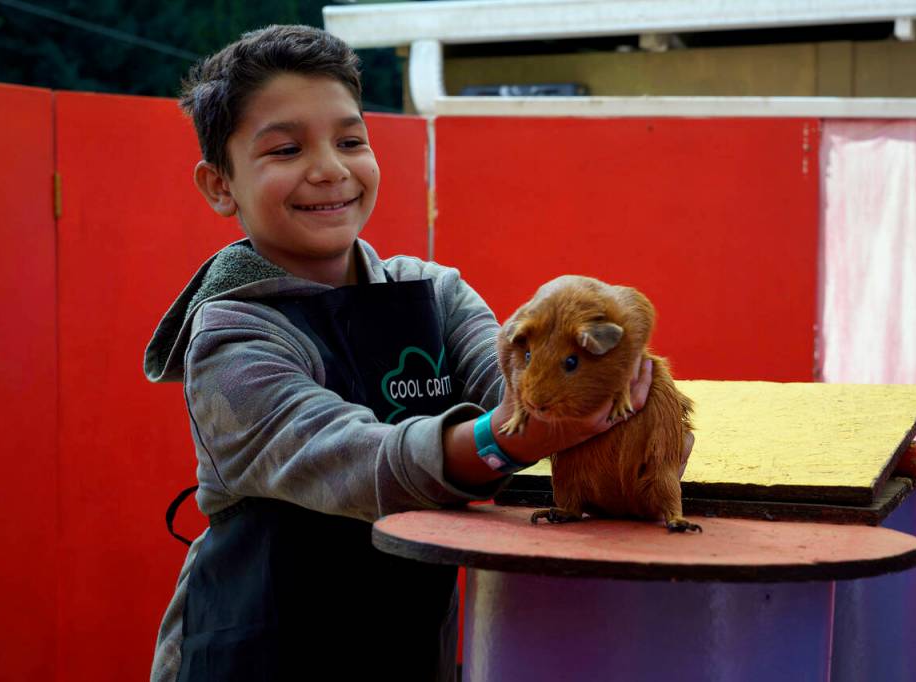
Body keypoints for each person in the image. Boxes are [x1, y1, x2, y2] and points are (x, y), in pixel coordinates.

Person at [144, 24, 658, 682]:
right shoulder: (231, 335)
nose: (330, 167)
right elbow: (360, 464)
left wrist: (605, 386)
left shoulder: (437, 295)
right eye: (286, 148)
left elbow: (520, 386)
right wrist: (510, 439)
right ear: (221, 186)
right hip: (258, 653)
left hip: (408, 650)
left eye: (350, 140)